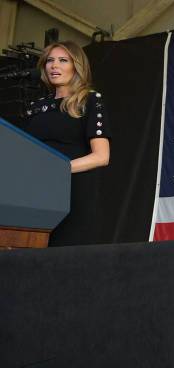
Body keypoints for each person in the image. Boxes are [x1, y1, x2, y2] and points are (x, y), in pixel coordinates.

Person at [26, 41, 110, 246]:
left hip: (74, 192)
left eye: (63, 60)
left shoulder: (89, 100)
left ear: (76, 66)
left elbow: (101, 156)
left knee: (65, 254)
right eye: (50, 61)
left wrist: (58, 169)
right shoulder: (36, 107)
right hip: (37, 192)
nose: (54, 66)